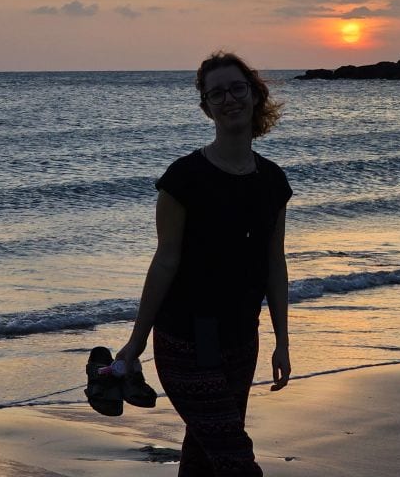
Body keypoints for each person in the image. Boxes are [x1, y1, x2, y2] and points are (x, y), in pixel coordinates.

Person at [117, 50, 292, 476]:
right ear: (206, 106)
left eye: (237, 88)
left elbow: (274, 265)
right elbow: (165, 262)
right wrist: (136, 342)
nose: (229, 99)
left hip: (240, 340)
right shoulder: (183, 179)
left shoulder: (272, 181)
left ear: (254, 94)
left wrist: (282, 341)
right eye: (217, 93)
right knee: (234, 459)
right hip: (184, 342)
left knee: (204, 456)